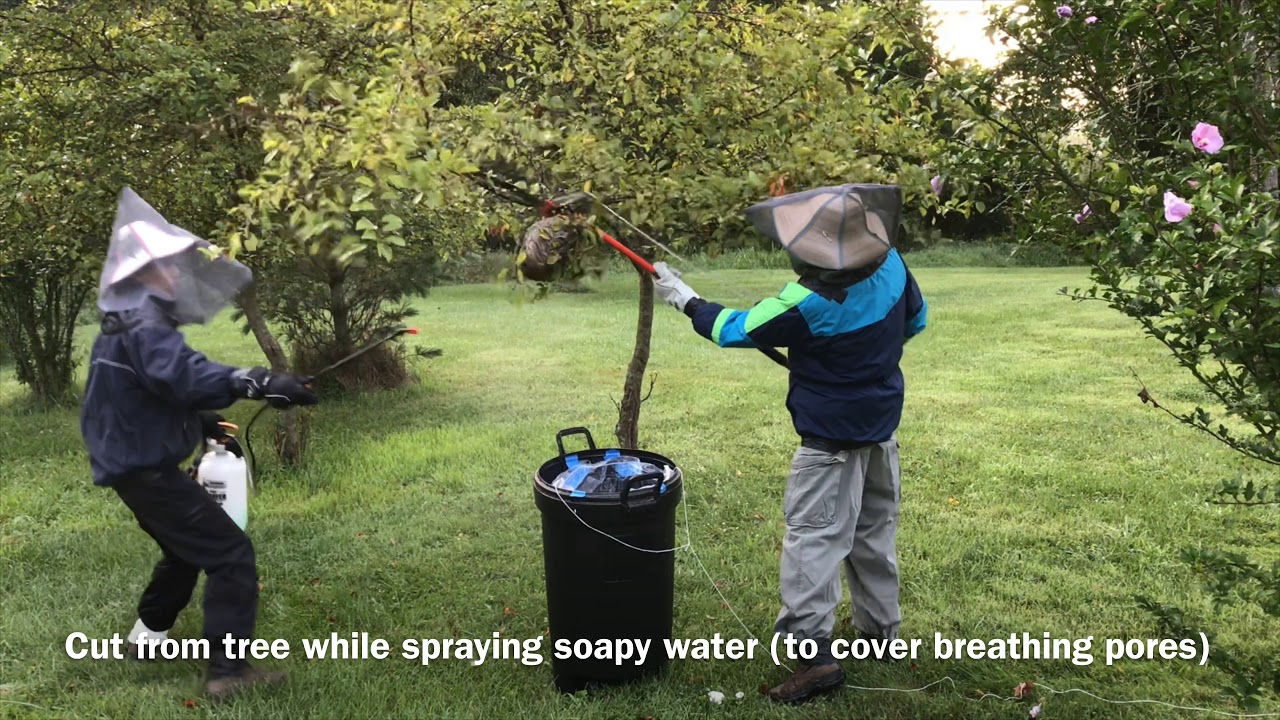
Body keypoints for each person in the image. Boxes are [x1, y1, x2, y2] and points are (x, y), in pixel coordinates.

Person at [651, 184, 927, 704]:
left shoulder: (809, 302)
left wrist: (682, 297)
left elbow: (735, 328)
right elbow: (916, 321)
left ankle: (812, 659)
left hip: (829, 446)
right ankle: (880, 637)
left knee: (814, 541)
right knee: (872, 536)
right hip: (881, 432)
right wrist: (863, 359)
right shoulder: (894, 265)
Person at [79, 188, 318, 701]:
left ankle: (147, 638)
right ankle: (228, 674)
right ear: (143, 274)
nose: (176, 273)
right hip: (146, 471)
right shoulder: (141, 323)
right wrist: (257, 380)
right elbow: (185, 375)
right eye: (166, 265)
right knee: (231, 554)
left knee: (183, 549)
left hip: (131, 466)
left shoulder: (123, 326)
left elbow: (155, 390)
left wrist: (206, 421)